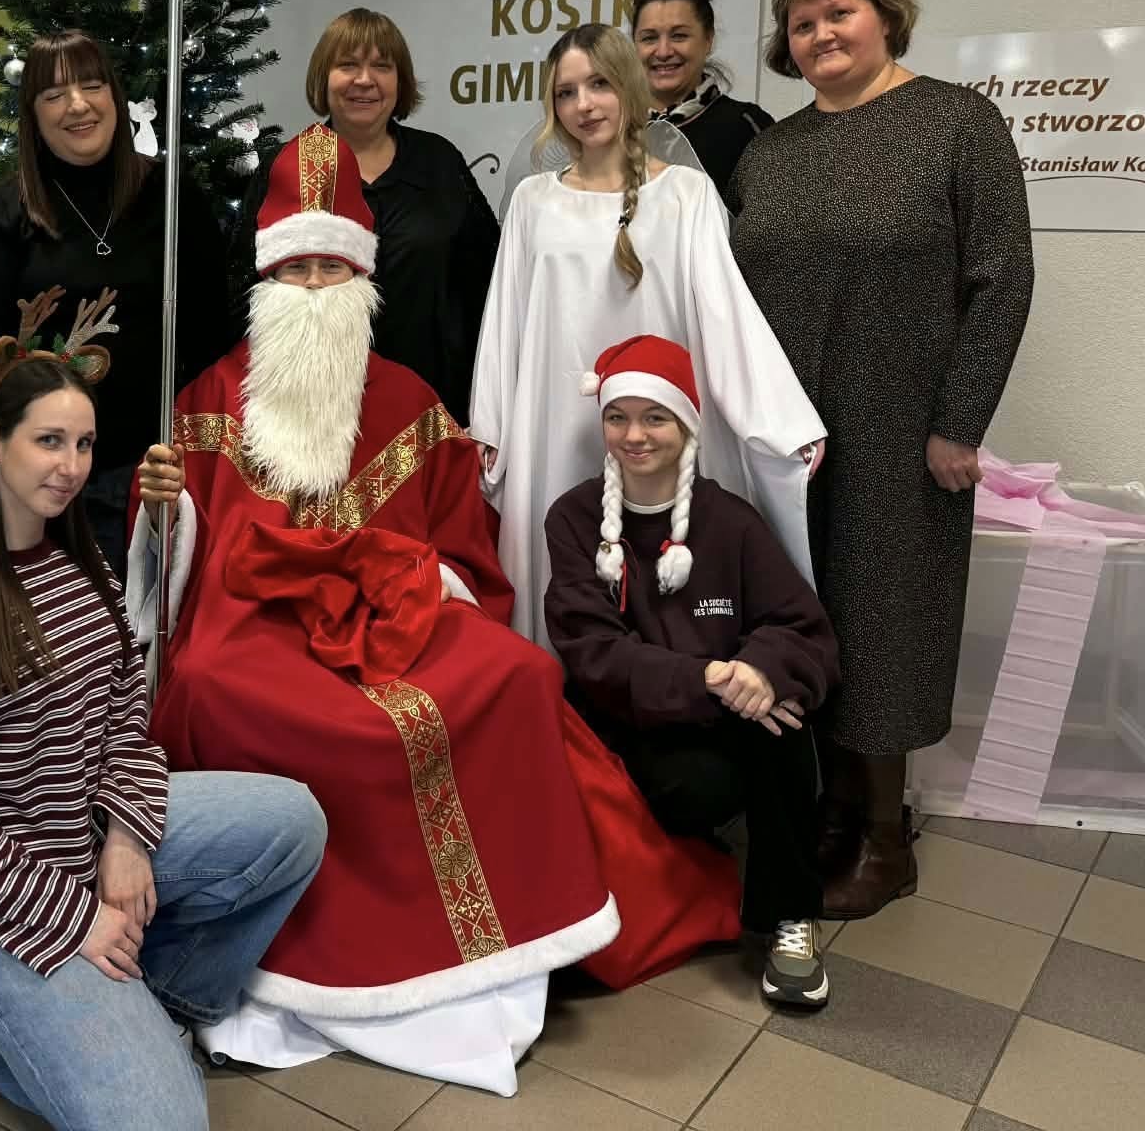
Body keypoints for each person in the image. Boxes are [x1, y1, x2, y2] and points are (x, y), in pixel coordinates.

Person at [130, 123, 751, 1094]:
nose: (313, 288)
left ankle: (505, 928)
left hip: (398, 613)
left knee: (518, 671)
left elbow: (462, 550)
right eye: (295, 270)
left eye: (332, 269)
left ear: (362, 281)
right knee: (209, 683)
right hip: (256, 624)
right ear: (266, 280)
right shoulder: (209, 398)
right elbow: (174, 573)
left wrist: (415, 581)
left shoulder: (412, 402)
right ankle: (299, 940)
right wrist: (163, 510)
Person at [0, 312, 327, 1131]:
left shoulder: (83, 575)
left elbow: (126, 723)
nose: (71, 466)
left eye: (84, 445)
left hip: (85, 840)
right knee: (165, 1123)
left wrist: (125, 841)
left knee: (292, 821)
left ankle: (162, 1003)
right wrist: (76, 917)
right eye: (49, 441)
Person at [731, 0, 1034, 919]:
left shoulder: (955, 123)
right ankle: (829, 807)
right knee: (802, 610)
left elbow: (1001, 279)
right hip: (785, 434)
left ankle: (884, 837)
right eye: (802, 22)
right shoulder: (769, 152)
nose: (820, 34)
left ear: (885, 17)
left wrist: (958, 423)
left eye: (839, 13)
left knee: (885, 619)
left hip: (902, 430)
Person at [470, 24, 825, 651]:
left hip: (660, 428)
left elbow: (726, 312)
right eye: (566, 92)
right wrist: (491, 423)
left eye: (599, 84)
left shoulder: (685, 194)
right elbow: (504, 321)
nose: (584, 105)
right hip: (555, 423)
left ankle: (669, 689)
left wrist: (781, 419)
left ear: (629, 87)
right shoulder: (532, 202)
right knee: (564, 571)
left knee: (664, 579)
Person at [546, 335, 840, 1010]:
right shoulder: (572, 519)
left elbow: (805, 629)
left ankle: (790, 917)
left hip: (714, 728)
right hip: (624, 731)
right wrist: (708, 676)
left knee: (781, 718)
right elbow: (592, 651)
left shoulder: (731, 522)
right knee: (730, 736)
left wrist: (760, 672)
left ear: (685, 426)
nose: (635, 436)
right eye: (618, 418)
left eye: (655, 417)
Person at [0, 30, 231, 577]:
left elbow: (212, 338)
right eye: (54, 94)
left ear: (115, 96)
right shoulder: (0, 218)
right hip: (47, 484)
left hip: (156, 474)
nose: (77, 105)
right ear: (33, 114)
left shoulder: (172, 199)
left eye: (91, 85)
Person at [230, 8, 498, 426]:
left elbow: (487, 283)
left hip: (432, 407)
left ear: (400, 80)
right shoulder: (287, 165)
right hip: (315, 416)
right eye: (348, 65)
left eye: (382, 66)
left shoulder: (440, 162)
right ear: (323, 77)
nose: (364, 79)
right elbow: (241, 293)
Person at [631, 0, 773, 195]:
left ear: (708, 39)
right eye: (649, 38)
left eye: (679, 36)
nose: (663, 51)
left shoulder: (746, 128)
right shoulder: (612, 130)